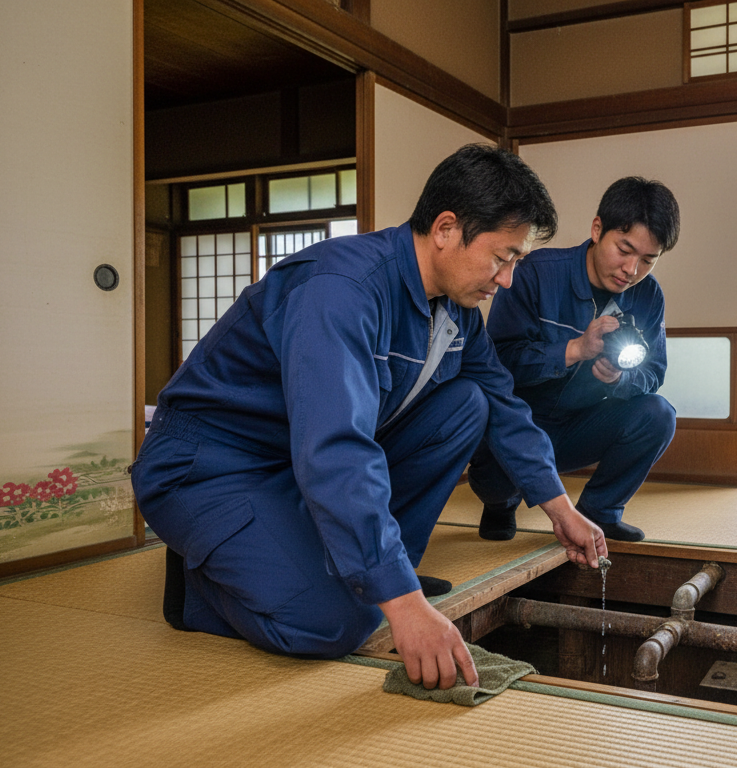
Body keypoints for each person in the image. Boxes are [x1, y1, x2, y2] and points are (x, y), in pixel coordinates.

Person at [131, 144, 607, 690]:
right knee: (339, 622)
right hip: (210, 468)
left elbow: (503, 404)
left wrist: (558, 507)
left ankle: (380, 571)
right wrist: (401, 604)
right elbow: (337, 449)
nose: (507, 280)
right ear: (447, 228)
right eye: (503, 257)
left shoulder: (455, 311)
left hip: (293, 464)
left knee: (466, 404)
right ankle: (198, 584)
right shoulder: (343, 290)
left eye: (516, 263)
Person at [468, 177, 680, 544]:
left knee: (659, 414)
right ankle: (501, 504)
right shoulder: (535, 273)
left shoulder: (648, 295)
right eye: (624, 249)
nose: (632, 269)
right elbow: (497, 362)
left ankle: (600, 511)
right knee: (488, 464)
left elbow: (653, 372)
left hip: (580, 425)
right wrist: (576, 349)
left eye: (648, 259)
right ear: (597, 229)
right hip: (517, 424)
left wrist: (619, 379)